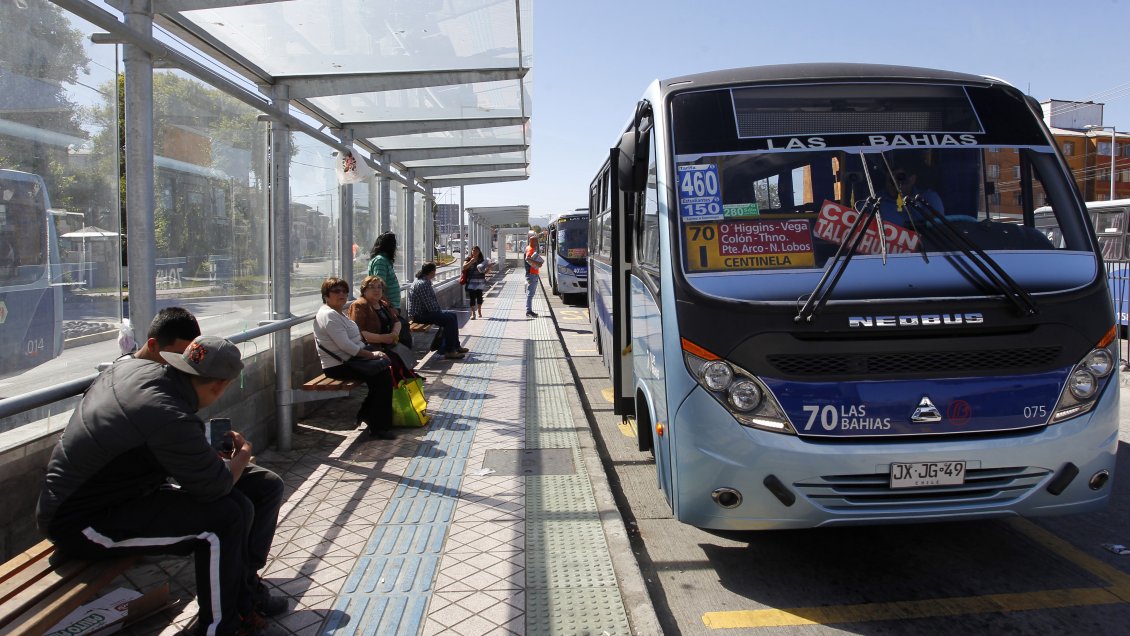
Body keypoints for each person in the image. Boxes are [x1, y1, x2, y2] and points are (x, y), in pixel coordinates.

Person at [36, 336, 287, 636]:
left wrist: (203, 454)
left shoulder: (140, 372)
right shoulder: (168, 413)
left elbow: (162, 442)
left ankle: (245, 594)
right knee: (225, 519)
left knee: (262, 487)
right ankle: (220, 628)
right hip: (81, 521)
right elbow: (215, 487)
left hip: (123, 492)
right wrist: (244, 453)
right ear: (221, 385)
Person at [314, 277, 397, 440]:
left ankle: (370, 417)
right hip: (339, 365)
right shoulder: (329, 315)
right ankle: (378, 425)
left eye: (344, 291)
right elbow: (345, 345)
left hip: (352, 360)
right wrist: (371, 354)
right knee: (382, 376)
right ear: (326, 295)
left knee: (382, 374)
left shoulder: (338, 312)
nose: (342, 294)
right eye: (336, 291)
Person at [349, 275, 418, 380]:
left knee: (405, 356)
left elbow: (397, 321)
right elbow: (359, 332)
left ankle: (406, 382)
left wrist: (394, 334)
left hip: (389, 344)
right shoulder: (360, 305)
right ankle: (396, 387)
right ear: (364, 289)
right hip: (372, 347)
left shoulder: (382, 303)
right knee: (394, 361)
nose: (376, 290)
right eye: (372, 287)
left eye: (379, 287)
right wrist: (383, 338)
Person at [408, 262, 467, 360]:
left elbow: (431, 305)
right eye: (435, 271)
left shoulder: (423, 281)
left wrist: (440, 312)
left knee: (452, 316)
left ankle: (456, 346)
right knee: (449, 319)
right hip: (419, 315)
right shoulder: (423, 284)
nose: (435, 273)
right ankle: (449, 351)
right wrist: (440, 313)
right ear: (431, 272)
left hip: (423, 313)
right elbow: (430, 305)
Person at [367, 232, 412, 346]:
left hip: (390, 306)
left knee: (401, 333)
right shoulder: (381, 261)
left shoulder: (385, 260)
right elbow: (378, 286)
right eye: (394, 244)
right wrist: (389, 307)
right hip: (387, 308)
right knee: (402, 337)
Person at [132, 306, 201, 363]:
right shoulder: (128, 375)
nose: (185, 364)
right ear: (152, 345)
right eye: (178, 356)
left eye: (192, 357)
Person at [462, 245, 491, 319]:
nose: (474, 252)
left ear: (479, 252)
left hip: (480, 282)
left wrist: (489, 268)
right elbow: (464, 267)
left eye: (476, 251)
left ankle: (479, 310)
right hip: (471, 281)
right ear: (471, 251)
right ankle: (473, 313)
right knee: (472, 297)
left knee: (479, 297)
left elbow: (485, 272)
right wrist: (471, 262)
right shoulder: (468, 259)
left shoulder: (482, 261)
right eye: (473, 250)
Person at [524, 231, 543, 317]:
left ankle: (529, 310)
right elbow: (528, 258)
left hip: (532, 274)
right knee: (530, 294)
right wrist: (538, 263)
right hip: (532, 274)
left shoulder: (529, 248)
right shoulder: (530, 250)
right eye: (536, 241)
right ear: (531, 241)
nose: (537, 243)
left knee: (530, 293)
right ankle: (529, 311)